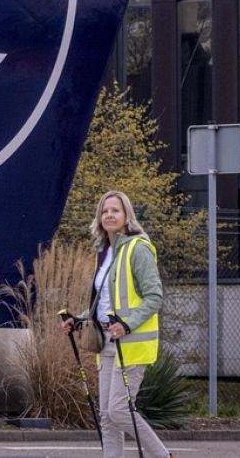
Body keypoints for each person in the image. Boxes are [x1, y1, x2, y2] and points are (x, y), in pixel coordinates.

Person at [62, 190, 171, 458]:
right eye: (105, 210)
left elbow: (154, 296)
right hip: (107, 343)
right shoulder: (106, 251)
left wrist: (127, 324)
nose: (109, 215)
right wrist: (79, 319)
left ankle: (163, 456)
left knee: (119, 410)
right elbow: (106, 302)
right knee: (107, 417)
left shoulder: (138, 248)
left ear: (126, 216)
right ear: (99, 217)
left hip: (131, 344)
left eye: (115, 210)